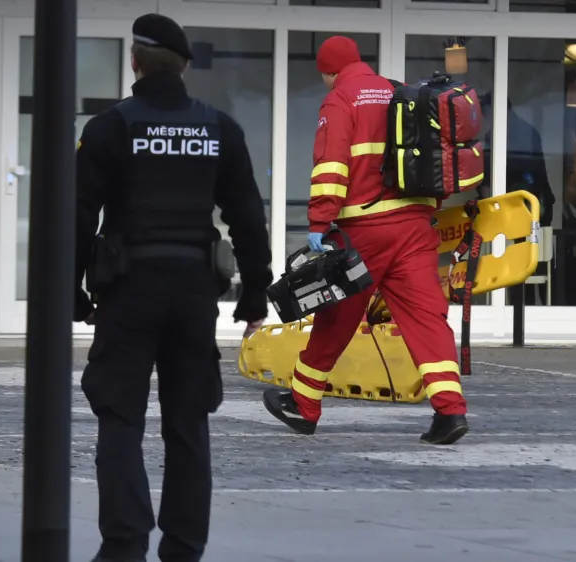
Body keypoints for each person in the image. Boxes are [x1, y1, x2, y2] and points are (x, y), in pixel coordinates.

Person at [75, 14, 272, 562]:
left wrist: (68, 291)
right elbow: (248, 219)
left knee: (119, 417)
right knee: (188, 422)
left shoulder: (109, 127)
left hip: (128, 289)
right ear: (185, 65)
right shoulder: (218, 128)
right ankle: (184, 547)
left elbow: (77, 216)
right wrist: (256, 293)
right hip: (192, 291)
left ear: (134, 62)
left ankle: (123, 545)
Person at [260, 36, 469, 446]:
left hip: (366, 231)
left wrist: (319, 223)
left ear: (329, 71)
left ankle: (303, 404)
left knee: (336, 314)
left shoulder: (341, 100)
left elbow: (331, 168)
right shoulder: (398, 90)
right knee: (426, 317)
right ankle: (450, 409)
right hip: (414, 227)